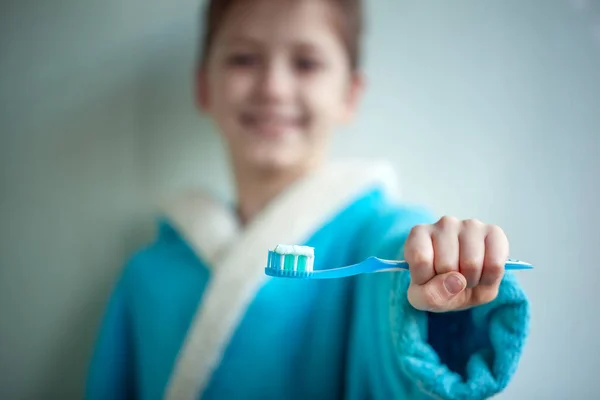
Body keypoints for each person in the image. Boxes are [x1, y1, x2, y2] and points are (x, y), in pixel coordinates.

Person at [85, 0, 530, 399]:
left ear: (350, 94)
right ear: (204, 87)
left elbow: (402, 256)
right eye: (243, 59)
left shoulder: (378, 239)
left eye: (306, 63)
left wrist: (435, 264)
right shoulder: (146, 274)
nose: (273, 88)